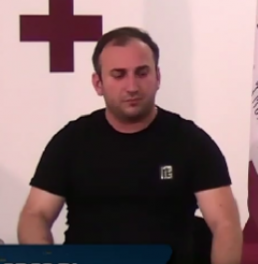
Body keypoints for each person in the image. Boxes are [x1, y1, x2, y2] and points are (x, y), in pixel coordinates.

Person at [16, 27, 242, 264]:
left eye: (142, 73)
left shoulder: (191, 142)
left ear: (158, 77)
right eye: (119, 75)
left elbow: (225, 224)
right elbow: (35, 214)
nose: (132, 86)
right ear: (98, 83)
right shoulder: (71, 141)